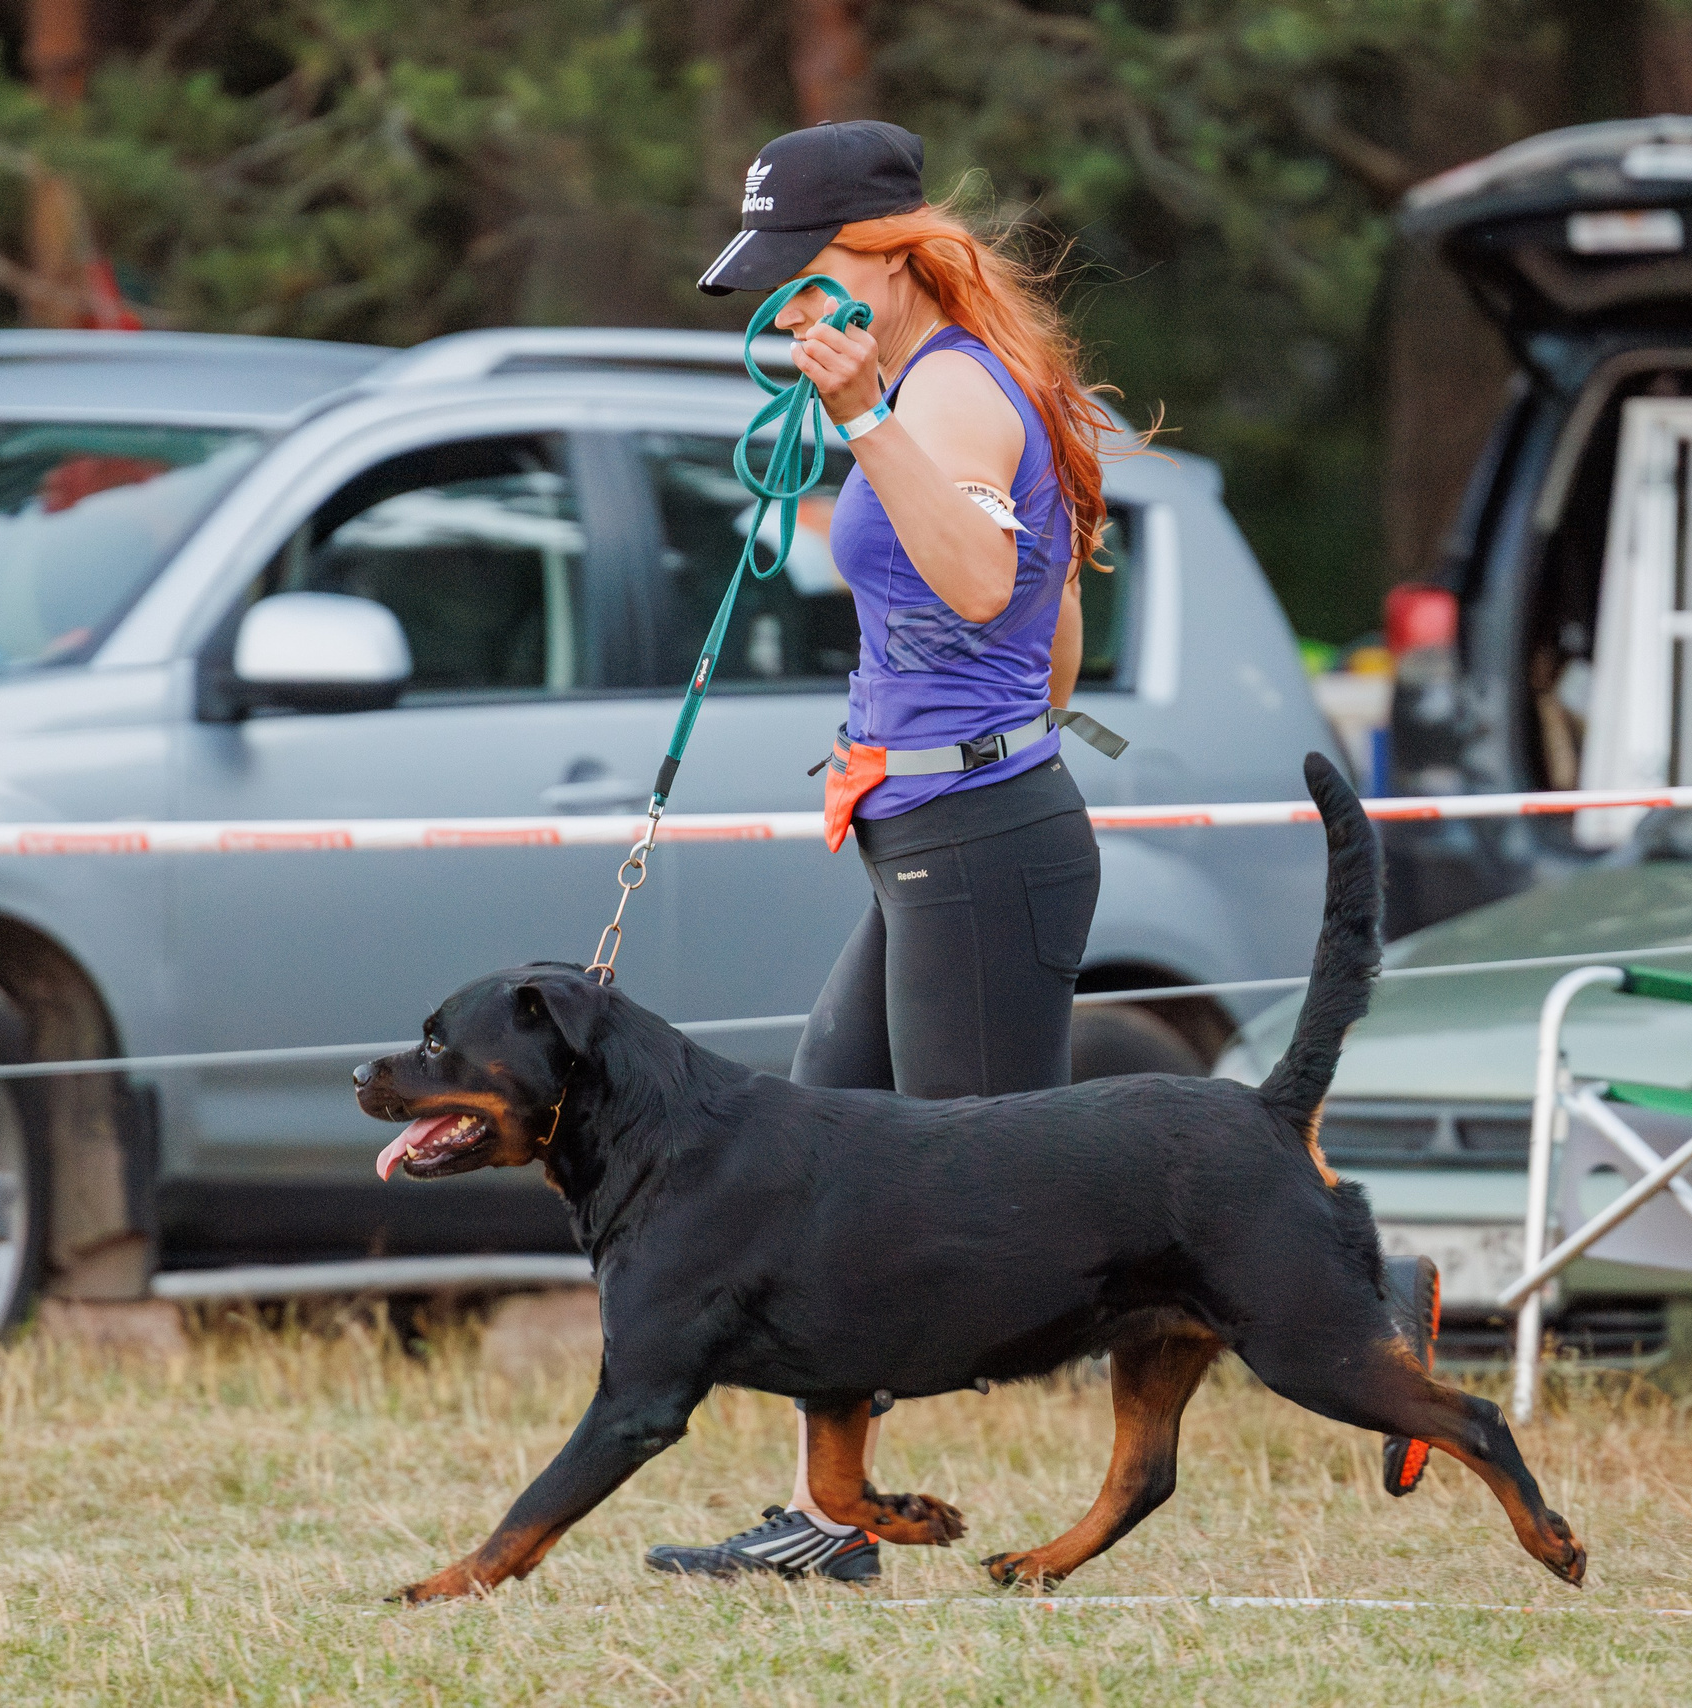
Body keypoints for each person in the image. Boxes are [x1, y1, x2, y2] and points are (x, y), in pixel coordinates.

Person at [644, 119, 1124, 1584]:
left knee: (1002, 1218)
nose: (788, 309)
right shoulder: (933, 385)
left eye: (803, 276)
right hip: (935, 830)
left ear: (885, 255)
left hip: (982, 846)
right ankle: (830, 1519)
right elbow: (1052, 647)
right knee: (814, 1163)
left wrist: (865, 424)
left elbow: (986, 586)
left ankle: (1370, 1290)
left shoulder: (952, 396)